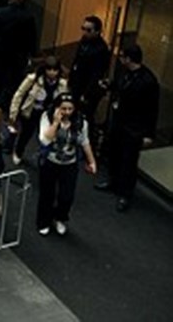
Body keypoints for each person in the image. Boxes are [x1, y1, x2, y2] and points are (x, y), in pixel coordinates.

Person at [96, 45, 160, 211]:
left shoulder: (148, 81)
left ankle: (125, 194)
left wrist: (149, 134)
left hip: (135, 126)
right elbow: (119, 86)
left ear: (129, 59)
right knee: (115, 153)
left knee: (129, 161)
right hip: (120, 122)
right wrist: (108, 86)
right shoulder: (125, 73)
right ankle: (113, 181)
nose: (121, 59)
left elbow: (152, 109)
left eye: (123, 56)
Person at [36, 93, 96, 236]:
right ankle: (44, 221)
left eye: (70, 109)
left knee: (66, 196)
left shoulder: (81, 122)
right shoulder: (47, 117)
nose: (67, 112)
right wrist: (56, 123)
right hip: (50, 161)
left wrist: (92, 161)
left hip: (69, 163)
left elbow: (84, 142)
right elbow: (45, 140)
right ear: (57, 108)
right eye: (63, 109)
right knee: (47, 194)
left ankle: (60, 218)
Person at [8, 56, 67, 165]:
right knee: (26, 134)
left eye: (55, 70)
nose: (52, 73)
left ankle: (43, 157)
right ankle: (18, 152)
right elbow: (19, 94)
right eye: (49, 69)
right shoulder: (33, 79)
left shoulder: (62, 84)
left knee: (46, 137)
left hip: (48, 114)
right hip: (32, 111)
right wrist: (13, 113)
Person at [68, 15, 112, 139]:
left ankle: (87, 140)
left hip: (88, 87)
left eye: (89, 30)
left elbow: (97, 74)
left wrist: (86, 93)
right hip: (78, 82)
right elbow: (77, 60)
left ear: (97, 31)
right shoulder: (84, 41)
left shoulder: (101, 49)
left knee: (86, 115)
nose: (85, 32)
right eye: (83, 28)